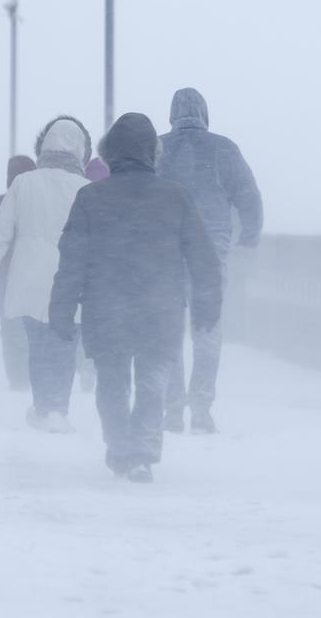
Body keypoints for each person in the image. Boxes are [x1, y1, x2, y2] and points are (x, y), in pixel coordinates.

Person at [50, 113, 223, 483]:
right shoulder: (175, 197)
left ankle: (119, 448)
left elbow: (72, 260)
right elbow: (203, 257)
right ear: (152, 153)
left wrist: (61, 310)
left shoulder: (90, 197)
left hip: (105, 308)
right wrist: (207, 306)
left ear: (109, 152)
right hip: (158, 309)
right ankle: (142, 453)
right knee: (152, 382)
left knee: (111, 382)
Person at [157, 88, 263, 434]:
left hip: (167, 250)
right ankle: (201, 408)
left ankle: (172, 409)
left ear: (172, 114)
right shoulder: (223, 148)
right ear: (205, 113)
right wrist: (249, 235)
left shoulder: (159, 148)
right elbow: (248, 194)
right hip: (210, 250)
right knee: (207, 328)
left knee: (170, 330)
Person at [0, 117, 91, 433]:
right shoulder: (85, 189)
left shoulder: (23, 184)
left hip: (27, 277)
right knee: (65, 343)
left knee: (38, 343)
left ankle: (42, 406)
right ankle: (58, 408)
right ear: (80, 152)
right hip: (69, 279)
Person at [0, 156, 37, 390]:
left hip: (8, 275)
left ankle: (17, 377)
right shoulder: (40, 203)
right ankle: (33, 375)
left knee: (11, 327)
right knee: (35, 326)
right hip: (37, 274)